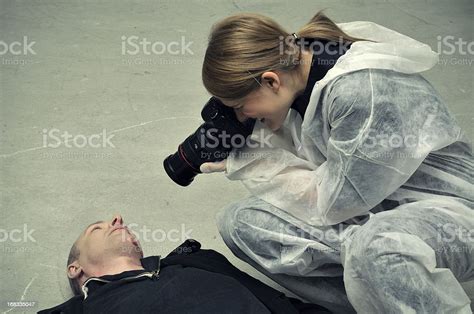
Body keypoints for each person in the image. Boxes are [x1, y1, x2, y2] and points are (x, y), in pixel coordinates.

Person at [199, 10, 474, 314]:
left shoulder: (358, 92)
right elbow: (316, 152)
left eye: (240, 107)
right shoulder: (301, 67)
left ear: (271, 81)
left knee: (375, 248)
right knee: (240, 222)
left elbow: (336, 203)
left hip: (451, 214)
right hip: (379, 204)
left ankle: (401, 291)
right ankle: (378, 303)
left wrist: (253, 160)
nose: (243, 117)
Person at [39, 214, 330, 314]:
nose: (117, 219)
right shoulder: (83, 310)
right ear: (75, 268)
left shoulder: (199, 262)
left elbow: (285, 304)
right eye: (97, 228)